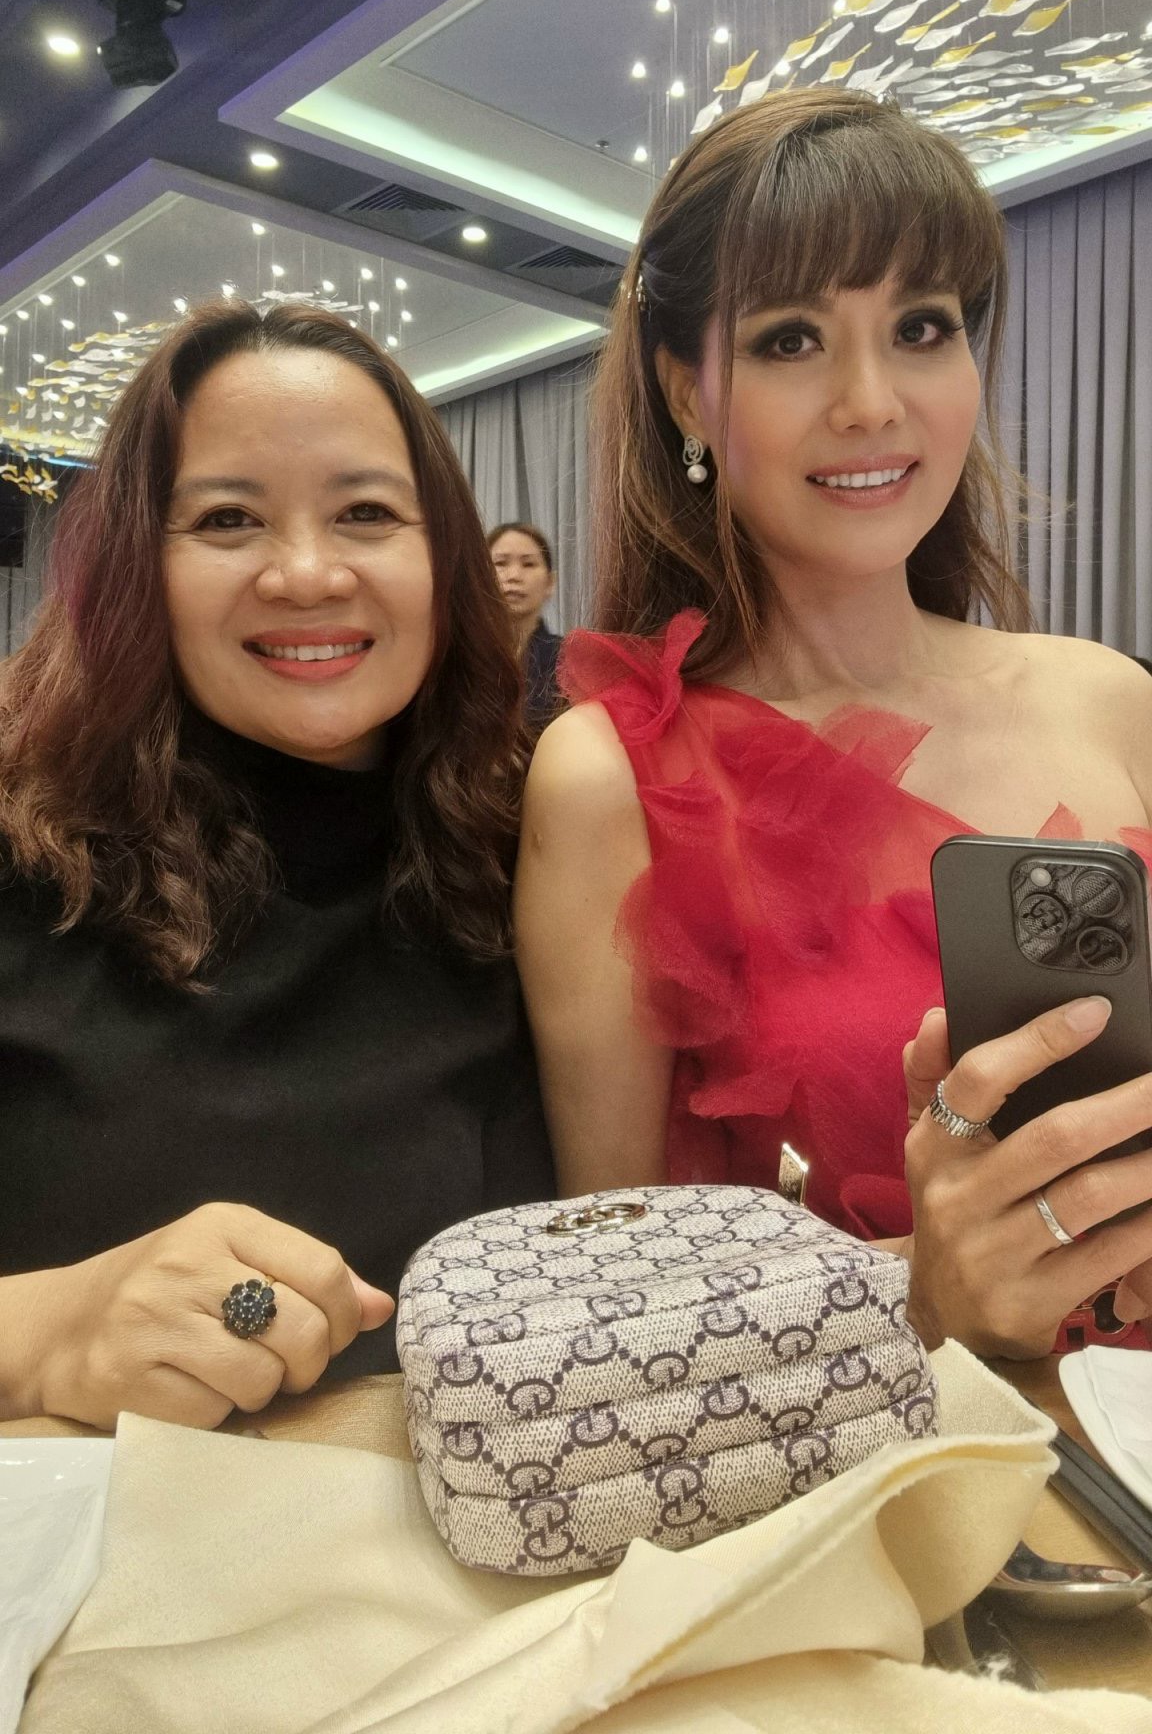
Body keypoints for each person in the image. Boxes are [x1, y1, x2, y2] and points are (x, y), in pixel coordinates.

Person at [515, 86, 1152, 1363]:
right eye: (791, 339)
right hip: (902, 1470)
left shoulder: (1111, 696)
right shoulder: (616, 777)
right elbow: (618, 1320)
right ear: (686, 393)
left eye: (922, 326)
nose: (871, 400)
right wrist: (923, 1292)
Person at [0, 300, 553, 1431]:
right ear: (136, 563)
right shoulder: (21, 851)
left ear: (442, 554)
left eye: (365, 513)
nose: (307, 574)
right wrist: (56, 1330)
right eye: (228, 519)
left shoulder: (526, 845)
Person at [488, 522, 563, 727]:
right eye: (500, 563)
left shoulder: (568, 661)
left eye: (528, 564)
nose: (514, 576)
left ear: (550, 582)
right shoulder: (457, 655)